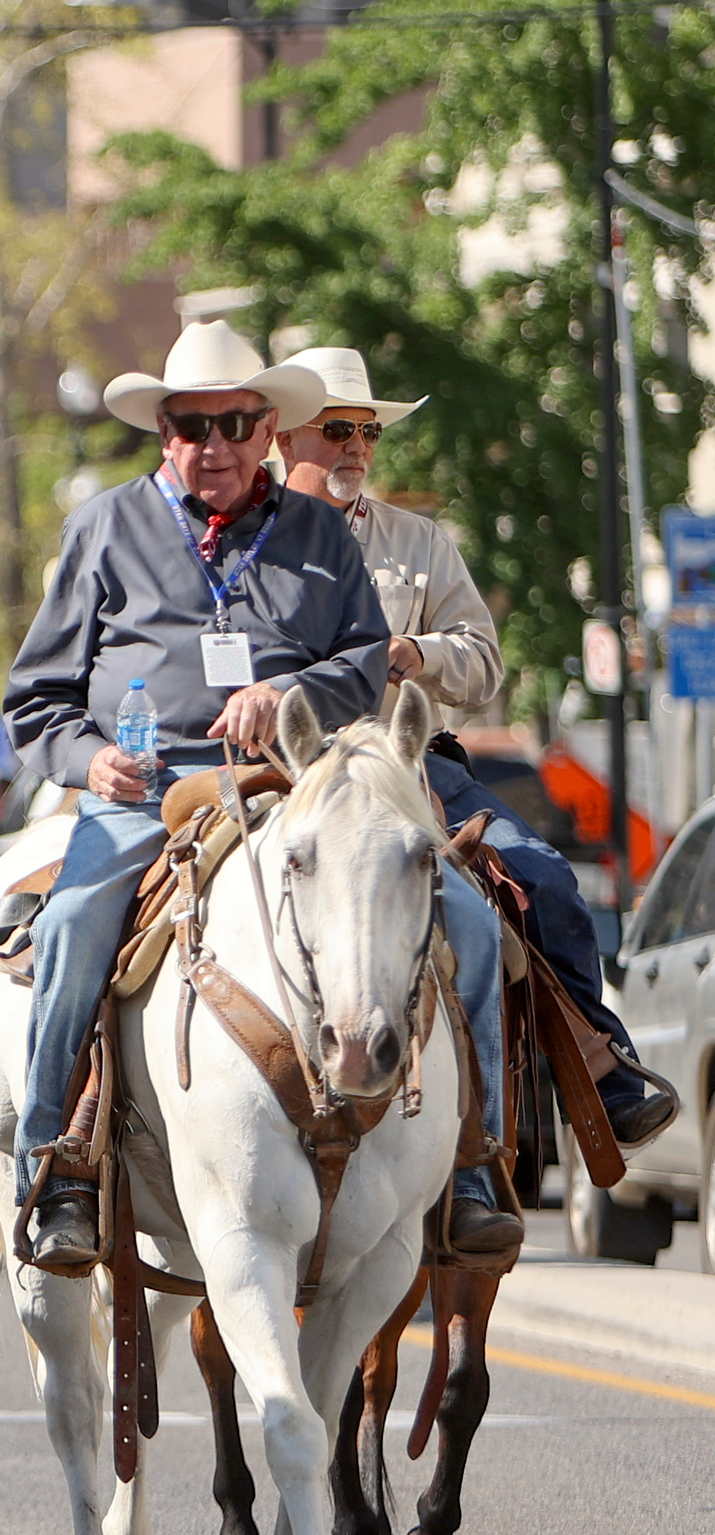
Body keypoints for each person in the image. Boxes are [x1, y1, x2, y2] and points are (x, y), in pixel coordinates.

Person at [3, 318, 513, 1265]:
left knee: (476, 923)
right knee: (74, 923)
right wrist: (88, 761)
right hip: (148, 791)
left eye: (238, 425)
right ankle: (58, 1165)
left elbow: (367, 660)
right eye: (194, 427)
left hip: (299, 781)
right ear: (165, 433)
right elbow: (34, 702)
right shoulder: (103, 528)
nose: (216, 447)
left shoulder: (319, 533)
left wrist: (289, 692)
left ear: (265, 429)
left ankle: (474, 1165)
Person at [278, 344, 677, 1172]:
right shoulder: (247, 545)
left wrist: (416, 654)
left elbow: (483, 661)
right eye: (337, 429)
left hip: (413, 767)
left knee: (544, 879)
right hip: (287, 774)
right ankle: (96, 1123)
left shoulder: (417, 543)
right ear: (284, 438)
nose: (356, 446)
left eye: (367, 432)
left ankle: (596, 1073)